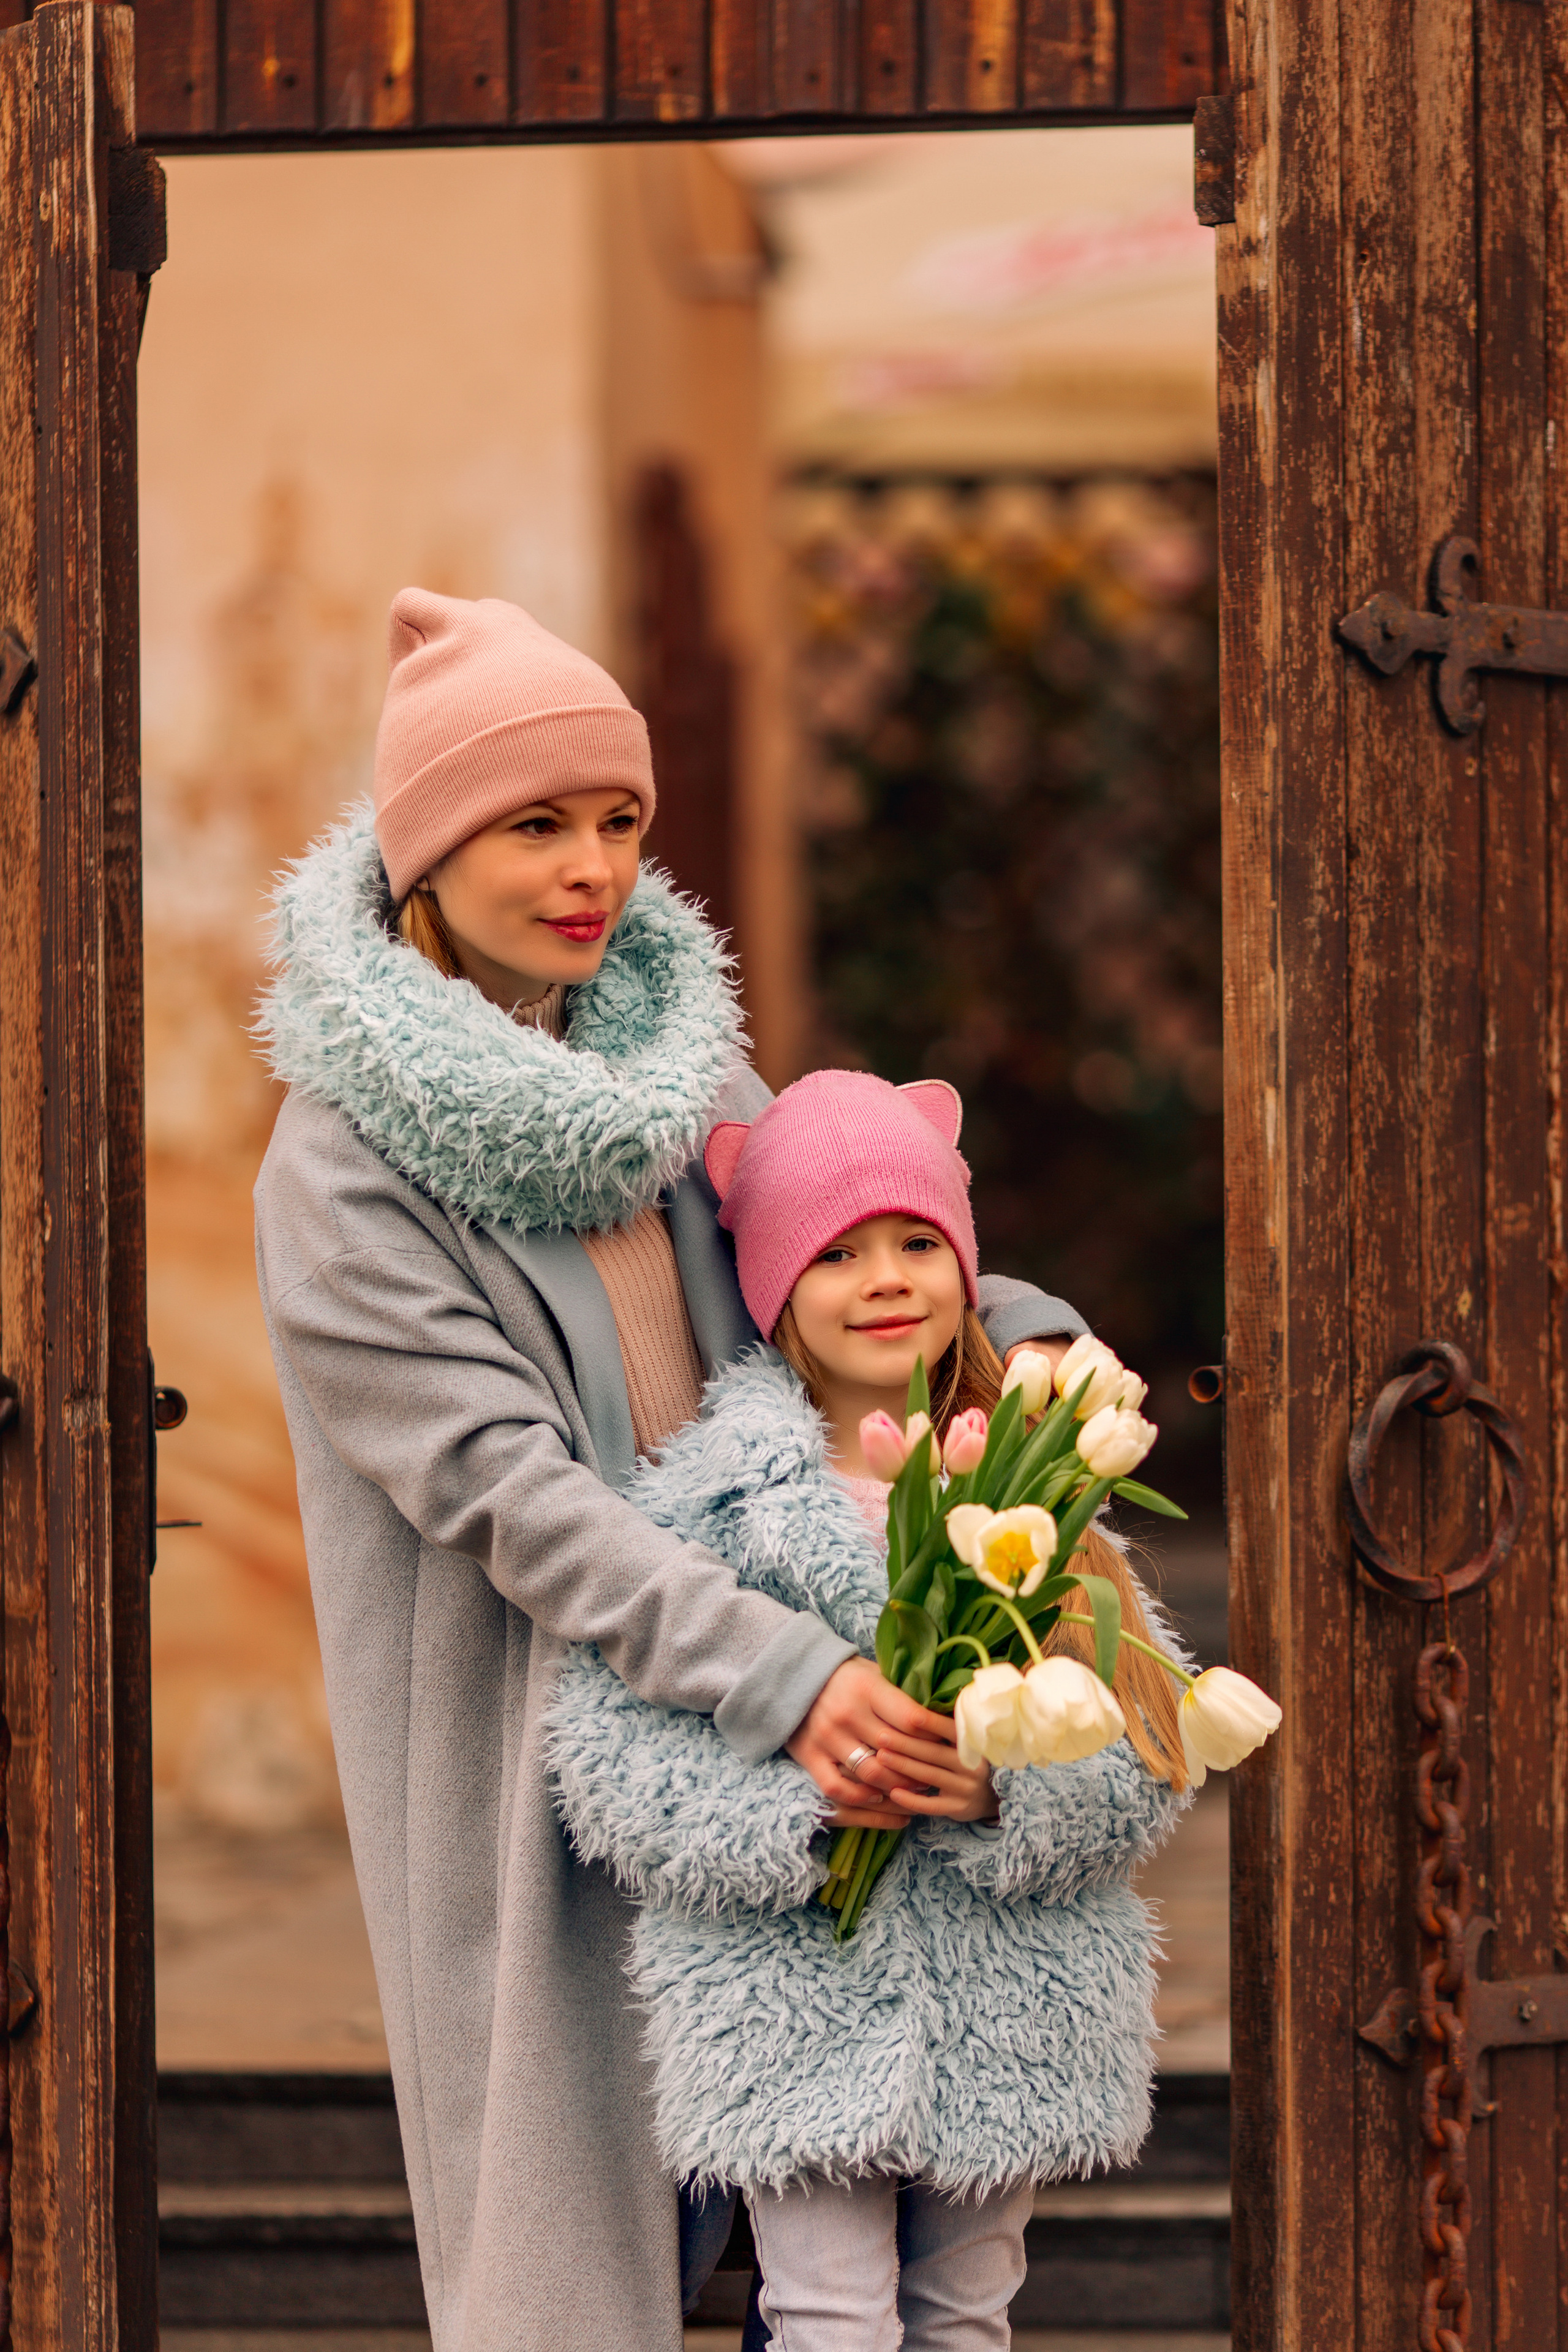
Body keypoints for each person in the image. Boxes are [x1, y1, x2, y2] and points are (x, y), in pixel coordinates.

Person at [253, 587, 1089, 2352]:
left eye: (618, 820)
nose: (591, 867)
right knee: (579, 2268)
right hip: (552, 1732)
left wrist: (1032, 1340)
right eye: (534, 822)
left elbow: (840, 1239)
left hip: (778, 1695)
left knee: (835, 2239)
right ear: (427, 845)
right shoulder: (340, 1168)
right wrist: (786, 1680)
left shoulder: (672, 1067)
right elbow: (505, 1494)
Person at [548, 1068, 1191, 2352]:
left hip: (1009, 1994)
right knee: (826, 2313)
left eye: (914, 1243)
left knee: (965, 2313)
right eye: (836, 1253)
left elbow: (1145, 1746)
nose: (884, 1278)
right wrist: (804, 1808)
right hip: (791, 1992)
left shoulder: (1032, 1493)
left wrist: (1004, 1788)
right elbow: (612, 1765)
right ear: (777, 1290)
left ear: (966, 1271)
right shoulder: (710, 1509)